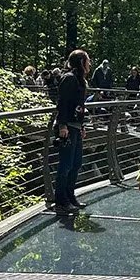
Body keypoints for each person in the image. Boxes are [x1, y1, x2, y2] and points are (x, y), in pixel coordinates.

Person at [54, 49, 91, 214]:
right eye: (87, 61)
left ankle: (70, 196)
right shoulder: (69, 78)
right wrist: (62, 125)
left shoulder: (80, 80)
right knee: (66, 164)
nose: (90, 64)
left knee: (76, 164)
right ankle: (61, 201)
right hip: (67, 127)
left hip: (76, 126)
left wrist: (82, 126)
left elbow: (80, 106)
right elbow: (62, 102)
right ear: (81, 62)